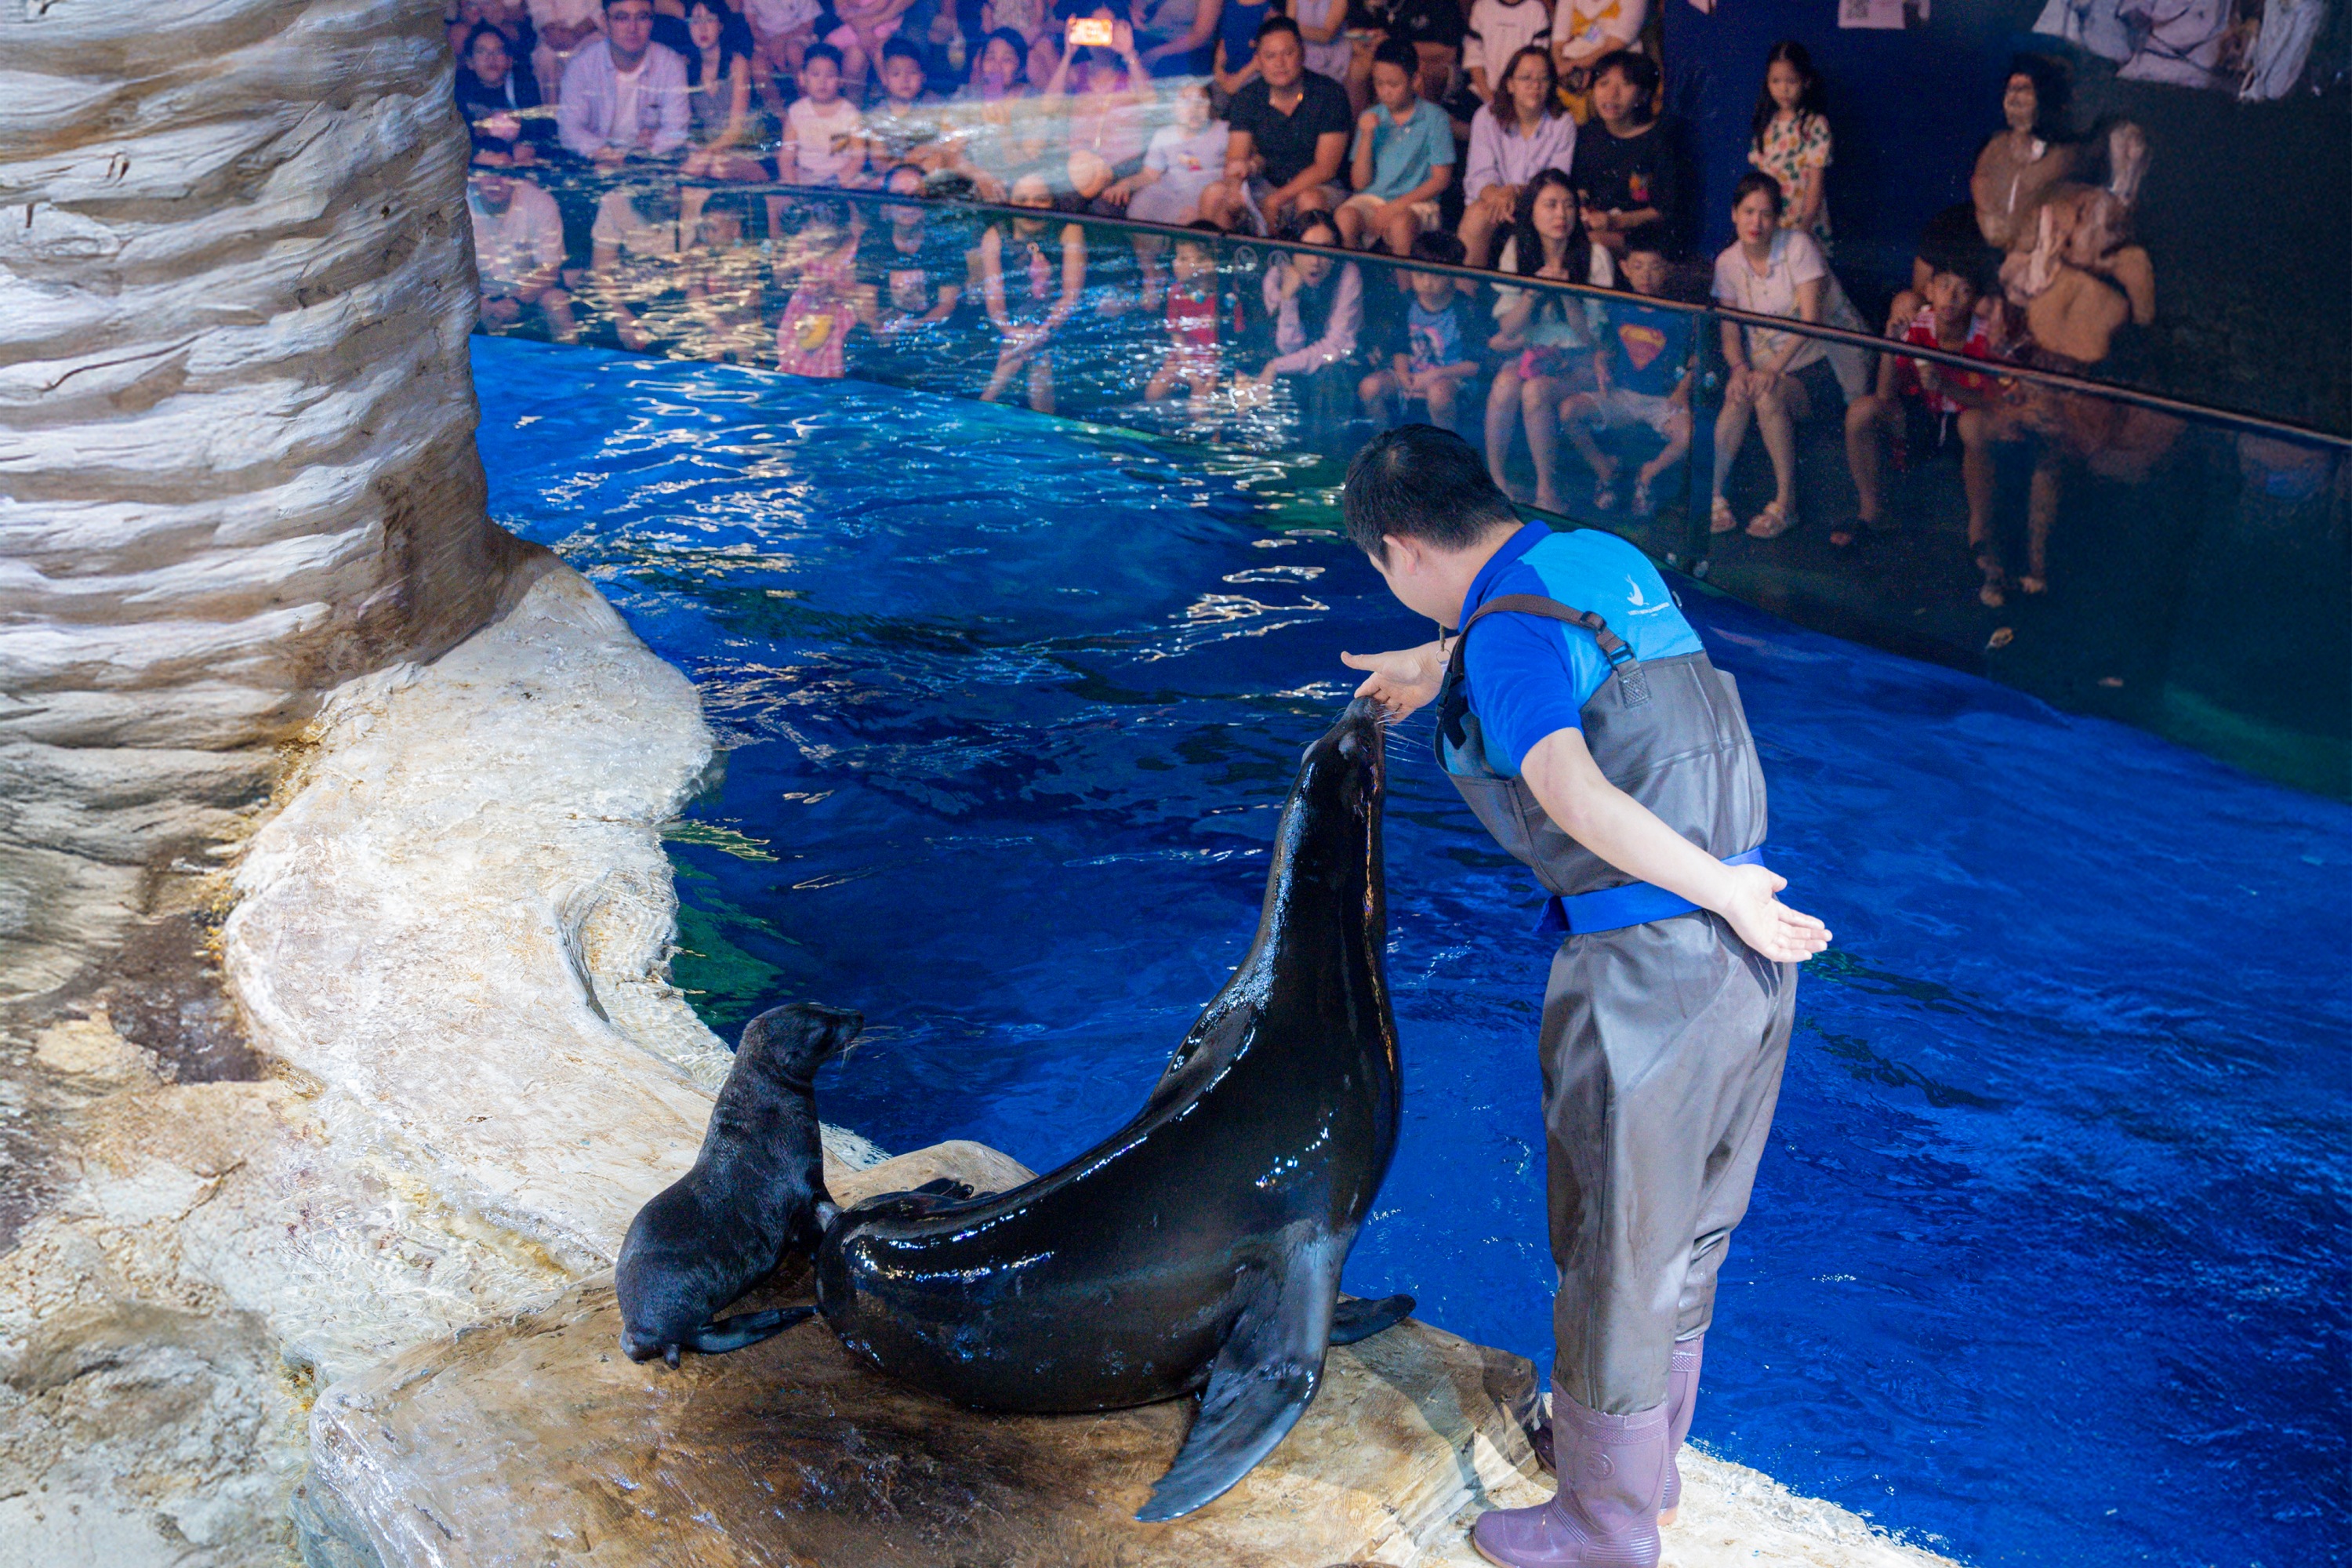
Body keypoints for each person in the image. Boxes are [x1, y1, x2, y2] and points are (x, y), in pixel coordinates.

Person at [1336, 423, 1827, 1568]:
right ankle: (1638, 1467)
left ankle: (1601, 1527)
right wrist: (1431, 667)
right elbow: (1563, 656)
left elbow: (1570, 786)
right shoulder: (1604, 561)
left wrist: (1721, 897)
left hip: (1650, 972)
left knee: (1614, 1246)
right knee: (1683, 1238)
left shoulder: (1503, 647)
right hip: (1745, 964)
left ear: (1403, 552)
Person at [1707, 172, 1867, 540]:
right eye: (1748, 212)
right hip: (1761, 365)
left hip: (1816, 366)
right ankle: (1713, 497)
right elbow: (1730, 329)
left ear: (1776, 218)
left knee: (1767, 395)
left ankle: (1786, 504)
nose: (1755, 223)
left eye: (1765, 214)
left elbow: (1810, 321)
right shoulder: (1728, 262)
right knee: (1737, 397)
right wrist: (1738, 369)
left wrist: (1772, 371)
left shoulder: (1798, 247)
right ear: (1734, 214)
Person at [1839, 238, 2008, 564]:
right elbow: (1886, 396)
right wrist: (1892, 343)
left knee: (1973, 424)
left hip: (1965, 429)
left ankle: (1979, 534)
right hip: (1923, 422)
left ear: (1974, 300)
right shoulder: (1918, 325)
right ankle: (1871, 514)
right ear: (1929, 291)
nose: (1952, 298)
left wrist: (1946, 386)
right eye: (1945, 287)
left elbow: (1994, 403)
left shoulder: (1987, 336)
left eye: (1962, 290)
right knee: (1862, 411)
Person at [1485, 168, 1613, 514]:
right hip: (1533, 356)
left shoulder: (1596, 255)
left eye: (1569, 206)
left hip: (1580, 362)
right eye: (1551, 205)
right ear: (1532, 212)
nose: (1561, 215)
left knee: (1535, 391)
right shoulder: (1517, 249)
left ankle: (1547, 492)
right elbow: (1509, 329)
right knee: (1504, 386)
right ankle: (1496, 483)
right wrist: (1533, 295)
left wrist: (1568, 296)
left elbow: (1591, 337)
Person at [1559, 221, 1692, 517]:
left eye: (1655, 267)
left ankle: (1647, 475)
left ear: (1667, 270)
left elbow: (1695, 360)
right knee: (1569, 411)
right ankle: (1604, 471)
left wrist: (1682, 391)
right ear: (1625, 268)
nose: (1646, 275)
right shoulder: (1618, 307)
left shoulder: (1679, 314)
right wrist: (1600, 360)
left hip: (1661, 402)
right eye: (1638, 266)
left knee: (1688, 433)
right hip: (1620, 396)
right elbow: (1605, 346)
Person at [1200, 17, 1353, 234]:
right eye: (1270, 56)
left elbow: (1325, 168)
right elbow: (1236, 157)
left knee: (1309, 200)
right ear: (1259, 61)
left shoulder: (1329, 94)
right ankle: (1214, 263)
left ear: (1303, 53)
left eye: (1288, 53)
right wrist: (1235, 186)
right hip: (1265, 183)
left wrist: (1277, 199)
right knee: (1215, 194)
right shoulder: (1248, 97)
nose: (1280, 63)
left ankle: (1307, 266)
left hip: (1318, 186)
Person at [1236, 212, 1363, 430]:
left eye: (1325, 251)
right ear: (1293, 251)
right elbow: (1288, 346)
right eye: (1307, 250)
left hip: (1332, 366)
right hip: (1287, 358)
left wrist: (1276, 366)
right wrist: (1289, 299)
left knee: (1329, 379)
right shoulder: (1276, 277)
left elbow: (1336, 347)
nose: (1316, 261)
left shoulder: (1347, 274)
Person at [852, 163, 977, 384]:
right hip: (887, 333)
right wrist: (876, 324)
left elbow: (947, 304)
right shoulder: (874, 239)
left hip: (933, 334)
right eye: (900, 196)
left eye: (916, 195)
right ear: (888, 204)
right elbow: (866, 298)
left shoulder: (944, 241)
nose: (908, 204)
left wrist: (915, 328)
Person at [980, 171, 1087, 412]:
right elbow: (995, 304)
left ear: (1052, 203)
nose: (1032, 206)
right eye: (1023, 199)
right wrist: (1016, 334)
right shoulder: (995, 236)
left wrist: (1041, 333)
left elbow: (1071, 296)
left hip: (1059, 322)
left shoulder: (1069, 230)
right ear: (1011, 203)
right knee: (1031, 355)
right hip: (1012, 323)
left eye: (1041, 199)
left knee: (1039, 357)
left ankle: (985, 405)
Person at [1461, 45, 1576, 269]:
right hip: (1494, 199)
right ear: (1510, 84)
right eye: (1526, 78)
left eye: (1543, 79)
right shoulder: (1487, 117)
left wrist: (1514, 191)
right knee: (1477, 215)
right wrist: (1499, 195)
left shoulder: (1562, 122)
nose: (1535, 86)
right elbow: (1479, 173)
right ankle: (1469, 297)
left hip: (1539, 204)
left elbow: (1556, 182)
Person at [1338, 38, 1457, 252]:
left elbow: (1441, 180)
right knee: (1345, 217)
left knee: (1400, 224)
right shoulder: (1370, 117)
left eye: (1394, 84)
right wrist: (1366, 136)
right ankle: (1351, 281)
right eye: (1379, 84)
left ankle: (1404, 286)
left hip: (1418, 203)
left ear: (1415, 80)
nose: (1386, 91)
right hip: (1372, 198)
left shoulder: (1434, 118)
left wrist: (1394, 207)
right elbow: (1359, 183)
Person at [1358, 231, 1483, 431]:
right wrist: (1403, 374)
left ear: (1453, 274)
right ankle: (1385, 444)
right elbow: (1400, 347)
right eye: (1419, 274)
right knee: (1369, 387)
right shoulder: (1407, 303)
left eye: (1435, 275)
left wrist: (1436, 375)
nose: (1426, 282)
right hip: (1414, 376)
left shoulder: (1465, 309)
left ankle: (1444, 449)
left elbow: (1475, 365)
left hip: (1452, 380)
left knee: (1438, 393)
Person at [1568, 49, 1684, 256]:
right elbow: (1581, 187)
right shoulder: (1588, 134)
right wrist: (1582, 208)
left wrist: (1614, 221)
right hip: (1597, 225)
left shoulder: (1660, 142)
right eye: (1604, 84)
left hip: (1642, 237)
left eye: (1625, 85)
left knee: (1586, 244)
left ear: (1643, 95)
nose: (1612, 94)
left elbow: (1663, 211)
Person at [557, 0, 691, 165]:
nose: (632, 28)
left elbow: (677, 130)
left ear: (652, 22)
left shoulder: (671, 64)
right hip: (596, 164)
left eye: (642, 17)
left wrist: (640, 155)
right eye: (622, 18)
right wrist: (606, 153)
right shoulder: (581, 66)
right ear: (605, 22)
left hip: (650, 164)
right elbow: (569, 130)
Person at [1045, 13, 1155, 209]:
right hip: (1077, 171)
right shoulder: (1076, 73)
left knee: (1102, 208)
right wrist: (1068, 54)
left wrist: (1129, 53)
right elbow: (1048, 107)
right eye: (1092, 28)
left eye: (1108, 28)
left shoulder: (1132, 76)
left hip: (1118, 173)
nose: (1100, 38)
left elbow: (1153, 105)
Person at [1970, 54, 2078, 251]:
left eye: (2024, 90)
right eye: (2010, 89)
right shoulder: (1993, 150)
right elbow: (1988, 214)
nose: (2014, 98)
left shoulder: (2064, 155)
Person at [468, 154, 579, 342]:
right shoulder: (453, 205)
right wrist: (477, 302)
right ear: (470, 177)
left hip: (529, 293)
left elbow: (549, 270)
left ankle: (572, 368)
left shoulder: (540, 202)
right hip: (474, 294)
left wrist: (516, 301)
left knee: (557, 303)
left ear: (515, 176)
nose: (494, 182)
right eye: (485, 172)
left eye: (503, 173)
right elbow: (441, 274)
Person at [1108, 80, 1230, 225]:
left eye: (1200, 102)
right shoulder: (1165, 135)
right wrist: (1126, 184)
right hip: (1174, 191)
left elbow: (1242, 163)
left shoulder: (1224, 131)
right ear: (1174, 107)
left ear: (1210, 106)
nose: (1194, 109)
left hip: (1209, 192)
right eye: (1186, 103)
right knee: (1141, 205)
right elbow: (1150, 175)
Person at [1745, 39, 1831, 244]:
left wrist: (1805, 226)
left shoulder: (1815, 125)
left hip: (1802, 223)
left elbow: (1815, 183)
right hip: (1768, 221)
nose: (1783, 89)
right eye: (1776, 81)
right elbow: (1757, 182)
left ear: (1806, 81)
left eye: (1791, 81)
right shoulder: (1766, 124)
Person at [949, 27, 1048, 201]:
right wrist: (981, 177)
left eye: (1007, 60)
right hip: (974, 183)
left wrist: (1004, 130)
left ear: (1021, 68)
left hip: (1016, 189)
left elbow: (1030, 167)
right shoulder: (968, 96)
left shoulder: (1033, 102)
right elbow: (950, 153)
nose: (996, 66)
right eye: (990, 58)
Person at [681, 0, 773, 181]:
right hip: (709, 153)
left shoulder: (738, 63)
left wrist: (705, 153)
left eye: (709, 19)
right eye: (695, 21)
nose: (702, 28)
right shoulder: (686, 67)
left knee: (718, 168)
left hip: (747, 149)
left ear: (721, 25)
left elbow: (736, 129)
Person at [1145, 225, 1229, 412]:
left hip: (1212, 364)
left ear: (1207, 264)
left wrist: (1208, 384)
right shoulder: (1176, 292)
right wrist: (1193, 378)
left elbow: (1221, 347)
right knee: (1154, 392)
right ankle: (1165, 429)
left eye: (1183, 258)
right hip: (1184, 360)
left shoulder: (1221, 297)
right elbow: (1178, 342)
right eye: (1176, 257)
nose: (1175, 263)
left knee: (1200, 409)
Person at [775, 200, 861, 378]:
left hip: (840, 318)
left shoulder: (855, 249)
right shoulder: (804, 242)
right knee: (795, 368)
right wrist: (794, 262)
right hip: (804, 312)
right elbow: (779, 278)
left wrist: (835, 291)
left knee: (834, 369)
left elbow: (865, 297)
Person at [456, 22, 556, 163]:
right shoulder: (460, 88)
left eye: (498, 51)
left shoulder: (523, 83)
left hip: (518, 161)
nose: (491, 59)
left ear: (509, 60)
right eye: (481, 52)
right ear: (470, 62)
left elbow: (540, 130)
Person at [781, 44, 872, 186]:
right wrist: (792, 184)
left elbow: (858, 157)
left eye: (830, 76)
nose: (822, 82)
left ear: (841, 80)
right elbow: (787, 156)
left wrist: (838, 181)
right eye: (815, 75)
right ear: (802, 78)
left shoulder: (850, 113)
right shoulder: (796, 111)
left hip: (842, 178)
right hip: (806, 178)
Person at [1548, 0, 1643, 122]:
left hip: (1616, 65)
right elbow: (1558, 43)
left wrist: (1575, 65)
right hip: (1572, 72)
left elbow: (1616, 44)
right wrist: (1560, 66)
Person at [870, 38, 952, 172]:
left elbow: (949, 142)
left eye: (912, 73)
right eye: (896, 74)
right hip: (895, 173)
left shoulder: (933, 105)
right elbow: (879, 162)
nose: (905, 80)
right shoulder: (877, 115)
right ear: (885, 78)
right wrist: (905, 162)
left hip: (929, 169)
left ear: (923, 76)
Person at [1461, 0, 1549, 103]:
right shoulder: (1482, 6)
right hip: (1482, 93)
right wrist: (1489, 98)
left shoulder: (1536, 9)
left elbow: (1537, 63)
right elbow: (1474, 59)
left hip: (1521, 97)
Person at [527, 0, 604, 103]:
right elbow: (539, 6)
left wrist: (577, 32)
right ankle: (553, 114)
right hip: (554, 33)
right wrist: (549, 27)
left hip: (593, 30)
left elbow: (604, 6)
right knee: (545, 57)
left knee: (593, 56)